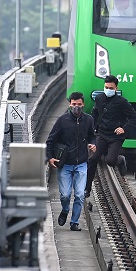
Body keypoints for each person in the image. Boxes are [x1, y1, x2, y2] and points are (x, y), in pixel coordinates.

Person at [45, 92, 96, 231]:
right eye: (74, 104)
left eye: (79, 104)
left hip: (81, 163)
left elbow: (92, 136)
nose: (76, 107)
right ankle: (65, 209)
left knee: (79, 194)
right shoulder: (62, 120)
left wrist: (93, 144)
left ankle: (74, 222)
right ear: (69, 104)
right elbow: (50, 140)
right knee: (65, 194)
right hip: (65, 163)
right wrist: (49, 157)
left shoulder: (88, 120)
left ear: (83, 104)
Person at [85, 75, 136, 197]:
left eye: (111, 87)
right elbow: (95, 113)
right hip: (101, 134)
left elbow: (135, 119)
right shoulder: (99, 98)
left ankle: (120, 160)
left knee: (110, 161)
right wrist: (92, 127)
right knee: (93, 159)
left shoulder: (122, 102)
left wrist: (123, 128)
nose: (108, 89)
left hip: (115, 136)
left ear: (116, 88)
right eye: (106, 87)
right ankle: (86, 189)